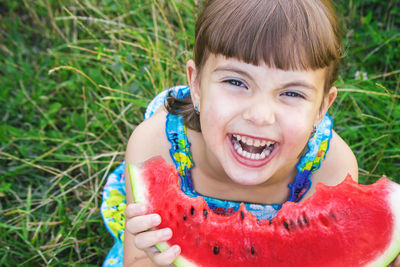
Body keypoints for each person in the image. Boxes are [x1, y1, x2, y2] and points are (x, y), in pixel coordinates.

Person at [101, 0, 400, 266]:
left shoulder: (331, 165)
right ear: (196, 85)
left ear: (322, 108)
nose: (259, 116)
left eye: (292, 94)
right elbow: (137, 259)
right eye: (236, 82)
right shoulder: (155, 148)